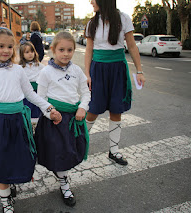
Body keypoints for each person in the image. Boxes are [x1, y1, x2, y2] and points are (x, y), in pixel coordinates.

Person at [0, 27, 62, 213]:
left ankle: (10, 183)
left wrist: (48, 108)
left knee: (17, 157)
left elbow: (30, 94)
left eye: (9, 46)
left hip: (18, 122)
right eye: (1, 46)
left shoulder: (17, 70)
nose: (6, 50)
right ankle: (6, 201)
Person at [85, 0, 145, 165]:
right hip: (98, 70)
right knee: (93, 110)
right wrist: (87, 74)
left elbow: (132, 46)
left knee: (116, 110)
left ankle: (114, 151)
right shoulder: (92, 23)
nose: (91, 2)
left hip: (118, 68)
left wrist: (139, 71)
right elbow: (89, 49)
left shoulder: (123, 18)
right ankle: (79, 145)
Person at [35, 32, 91, 207]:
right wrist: (50, 112)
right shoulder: (46, 72)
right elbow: (40, 98)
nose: (66, 54)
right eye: (61, 50)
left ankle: (61, 175)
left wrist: (83, 107)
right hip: (55, 120)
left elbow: (86, 92)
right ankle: (64, 184)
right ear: (52, 50)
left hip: (73, 119)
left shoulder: (76, 70)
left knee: (71, 152)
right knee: (60, 153)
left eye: (70, 50)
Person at [19, 41, 44, 119]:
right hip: (26, 95)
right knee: (27, 113)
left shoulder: (40, 66)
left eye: (32, 51)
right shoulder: (20, 67)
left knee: (38, 113)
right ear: (22, 54)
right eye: (27, 52)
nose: (30, 54)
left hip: (38, 93)